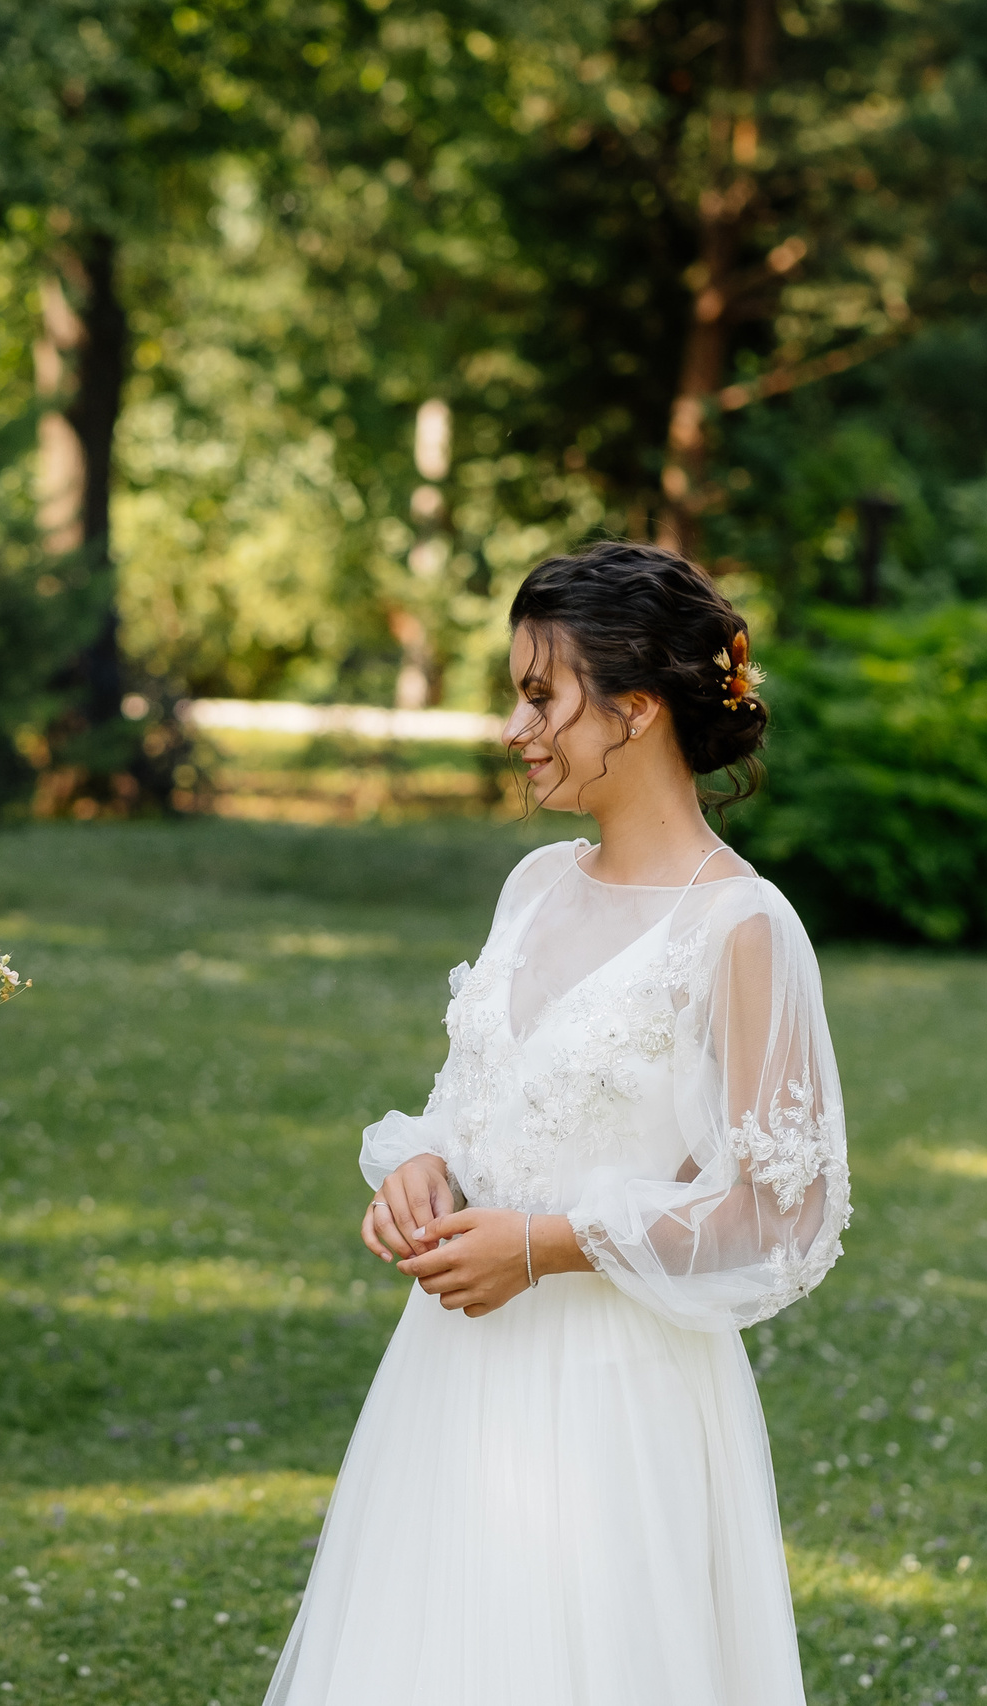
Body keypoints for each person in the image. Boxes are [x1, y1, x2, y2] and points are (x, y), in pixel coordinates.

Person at [264, 542, 851, 1706]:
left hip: (616, 1399)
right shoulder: (534, 882)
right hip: (451, 1379)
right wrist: (423, 1163)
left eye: (541, 694)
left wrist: (546, 1242)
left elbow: (785, 1212)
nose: (512, 725)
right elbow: (475, 1097)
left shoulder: (741, 926)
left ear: (634, 711)